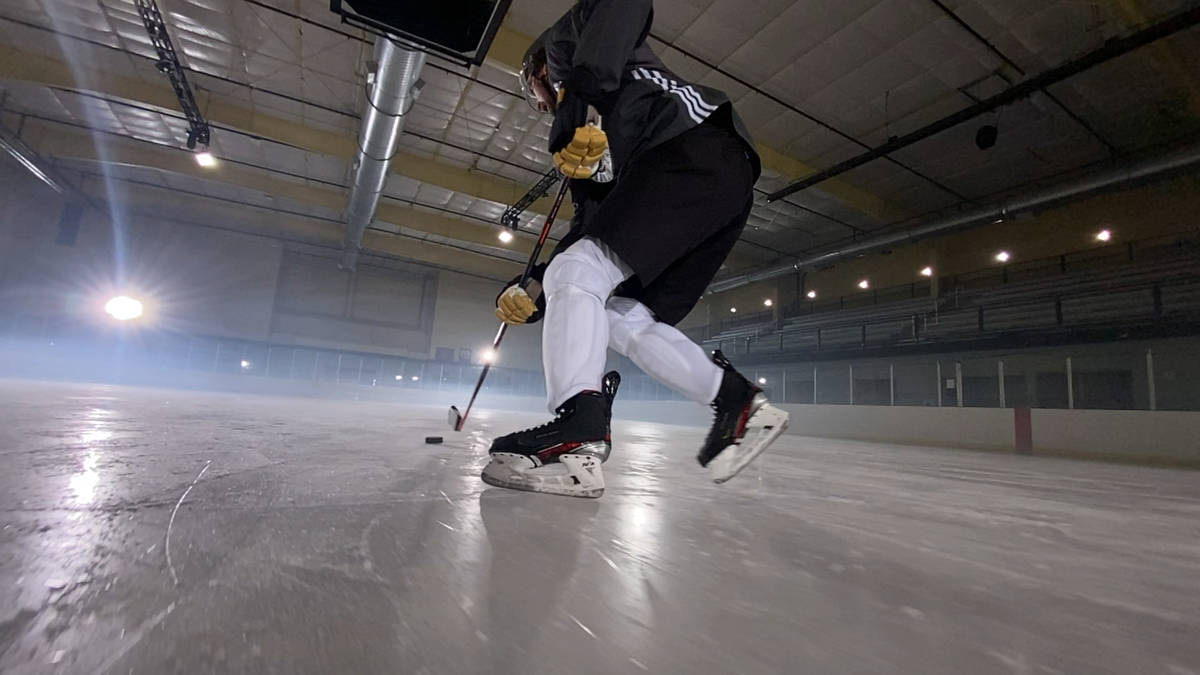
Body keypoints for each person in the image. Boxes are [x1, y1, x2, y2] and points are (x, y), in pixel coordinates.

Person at [480, 0, 789, 499]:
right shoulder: (588, 153)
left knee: (579, 274)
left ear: (538, 69)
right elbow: (588, 232)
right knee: (619, 314)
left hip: (690, 147)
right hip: (716, 185)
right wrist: (534, 286)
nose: (541, 104)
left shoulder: (567, 53)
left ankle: (577, 429)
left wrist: (576, 96)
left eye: (536, 92)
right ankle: (738, 404)